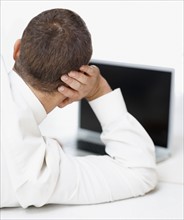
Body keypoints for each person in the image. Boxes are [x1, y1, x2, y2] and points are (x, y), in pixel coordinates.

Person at [1, 8, 157, 208]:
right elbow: (139, 171)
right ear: (72, 84)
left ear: (17, 50)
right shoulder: (35, 171)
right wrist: (98, 89)